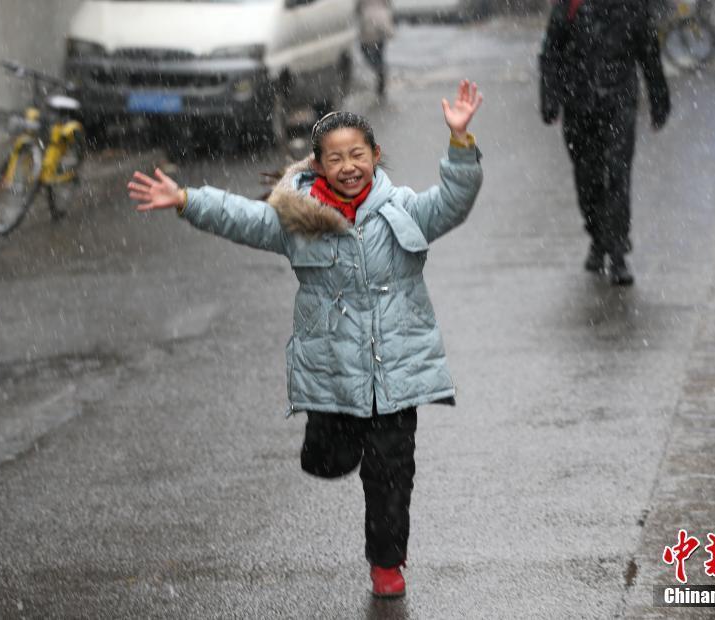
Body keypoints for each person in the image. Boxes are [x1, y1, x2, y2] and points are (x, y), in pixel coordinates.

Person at [127, 80, 483, 598]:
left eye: (357, 154)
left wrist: (460, 141)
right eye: (335, 158)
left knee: (390, 474)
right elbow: (241, 217)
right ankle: (336, 444)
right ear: (318, 165)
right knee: (327, 461)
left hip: (395, 374)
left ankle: (387, 565)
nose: (348, 166)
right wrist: (186, 198)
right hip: (333, 372)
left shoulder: (402, 208)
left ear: (376, 156)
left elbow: (454, 200)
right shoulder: (296, 220)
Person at [539, 0, 671, 286]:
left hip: (619, 102)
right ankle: (598, 237)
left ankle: (618, 251)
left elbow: (648, 51)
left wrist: (659, 98)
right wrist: (550, 99)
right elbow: (552, 51)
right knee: (588, 179)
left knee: (618, 175)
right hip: (579, 104)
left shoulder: (632, 6)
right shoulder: (571, 4)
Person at [358, 0, 395, 96]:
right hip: (383, 21)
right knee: (379, 52)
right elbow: (389, 4)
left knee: (366, 50)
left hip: (369, 21)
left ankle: (380, 72)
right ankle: (381, 76)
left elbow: (357, 8)